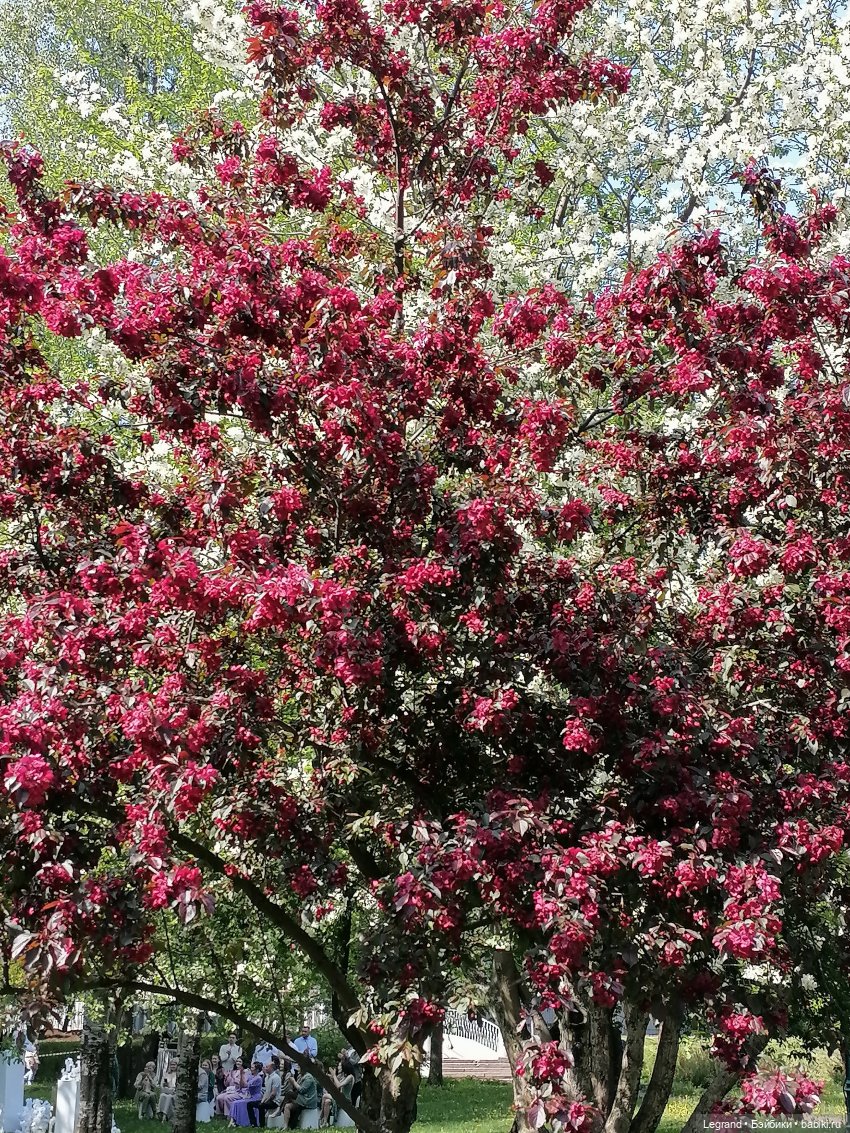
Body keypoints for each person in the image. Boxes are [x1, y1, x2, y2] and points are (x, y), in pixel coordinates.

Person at [281, 1062, 319, 1130]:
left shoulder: (308, 1077)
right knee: (288, 1105)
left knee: (289, 1094)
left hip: (307, 1100)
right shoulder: (301, 1076)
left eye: (298, 1067)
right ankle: (286, 1126)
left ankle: (279, 1111)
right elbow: (296, 1089)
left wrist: (294, 1082)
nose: (297, 1069)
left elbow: (301, 1090)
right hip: (301, 1099)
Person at [320, 1057, 354, 1128]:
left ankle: (321, 1115)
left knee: (324, 1096)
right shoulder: (343, 1076)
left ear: (345, 1067)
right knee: (327, 1101)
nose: (339, 1067)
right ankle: (325, 1122)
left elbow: (338, 1085)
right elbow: (336, 1084)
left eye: (340, 1066)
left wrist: (334, 1075)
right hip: (340, 1098)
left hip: (345, 1099)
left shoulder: (350, 1077)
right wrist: (332, 1077)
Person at [247, 1058, 281, 1128]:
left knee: (261, 1106)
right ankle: (253, 1124)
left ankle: (262, 1125)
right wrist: (262, 1101)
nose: (264, 1068)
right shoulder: (266, 1078)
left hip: (274, 1102)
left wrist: (264, 1102)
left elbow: (273, 1094)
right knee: (249, 1104)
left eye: (266, 1067)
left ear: (271, 1068)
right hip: (267, 1100)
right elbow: (266, 1092)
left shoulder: (276, 1078)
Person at [228, 1062, 264, 1128]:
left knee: (237, 1103)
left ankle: (238, 1121)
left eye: (253, 1067)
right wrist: (242, 1075)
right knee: (234, 1103)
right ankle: (234, 1120)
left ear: (257, 1069)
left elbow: (246, 1085)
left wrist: (242, 1073)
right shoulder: (250, 1076)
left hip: (255, 1097)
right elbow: (242, 1085)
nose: (251, 1069)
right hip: (248, 1096)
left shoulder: (258, 1078)